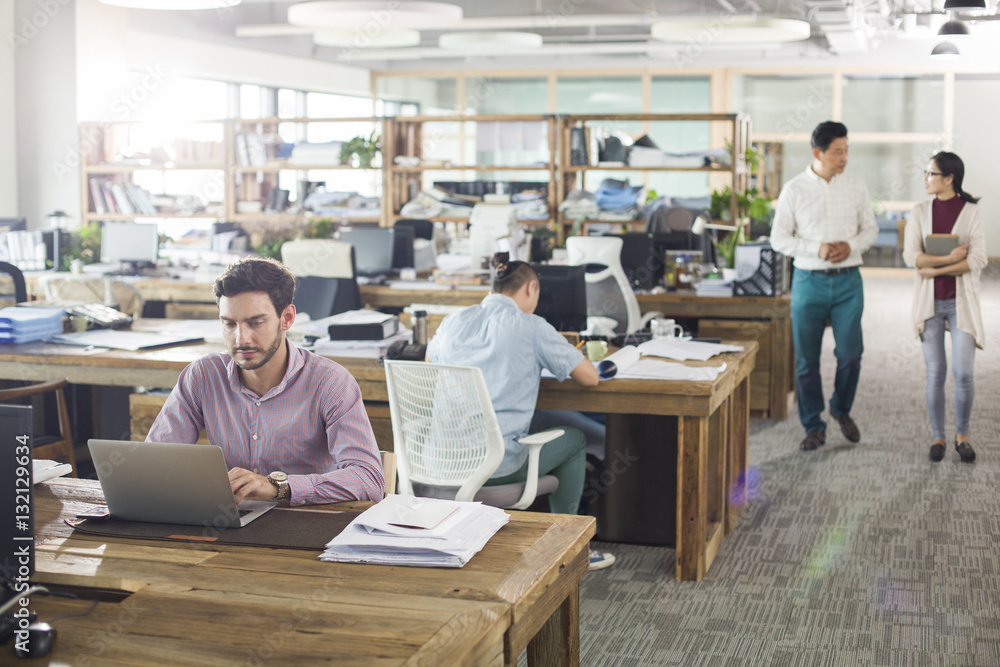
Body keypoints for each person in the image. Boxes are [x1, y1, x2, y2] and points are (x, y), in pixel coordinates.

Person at [427, 253, 615, 570]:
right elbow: (590, 377)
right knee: (575, 441)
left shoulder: (452, 321)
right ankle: (567, 547)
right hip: (494, 466)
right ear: (530, 289)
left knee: (539, 423)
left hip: (439, 459)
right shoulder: (530, 326)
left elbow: (430, 367)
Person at [147, 256, 384, 504]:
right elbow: (153, 464)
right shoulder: (202, 376)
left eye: (255, 322)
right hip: (227, 523)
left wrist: (278, 487)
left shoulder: (331, 382)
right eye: (229, 324)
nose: (241, 339)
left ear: (287, 318)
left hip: (306, 525)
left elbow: (369, 480)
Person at [770, 121, 878, 451]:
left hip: (848, 282)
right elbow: (778, 238)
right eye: (838, 151)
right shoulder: (794, 189)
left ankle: (840, 408)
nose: (844, 157)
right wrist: (816, 249)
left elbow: (870, 229)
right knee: (806, 360)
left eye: (846, 150)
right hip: (808, 280)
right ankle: (813, 425)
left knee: (851, 355)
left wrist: (851, 245)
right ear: (818, 152)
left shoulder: (856, 186)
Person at [902, 152, 986, 463]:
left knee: (964, 373)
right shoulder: (919, 211)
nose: (926, 178)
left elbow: (978, 259)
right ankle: (937, 437)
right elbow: (911, 257)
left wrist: (934, 269)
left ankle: (961, 436)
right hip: (930, 304)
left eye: (931, 173)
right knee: (935, 373)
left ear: (949, 178)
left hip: (960, 303)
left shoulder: (972, 212)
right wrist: (949, 260)